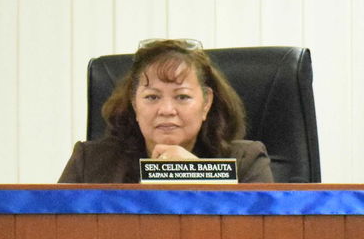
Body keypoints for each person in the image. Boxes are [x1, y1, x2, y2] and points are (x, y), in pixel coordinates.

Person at [58, 39, 273, 183]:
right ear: (134, 104)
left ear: (206, 103)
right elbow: (54, 235)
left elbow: (262, 238)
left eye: (182, 97)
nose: (167, 110)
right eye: (152, 97)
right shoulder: (90, 164)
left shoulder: (246, 162)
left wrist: (196, 175)